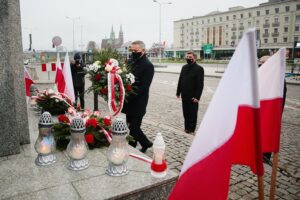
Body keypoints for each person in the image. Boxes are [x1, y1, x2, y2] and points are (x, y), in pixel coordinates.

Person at [122, 40, 154, 153]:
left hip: (139, 101)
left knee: (134, 127)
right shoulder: (130, 61)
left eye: (136, 50)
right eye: (132, 50)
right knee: (130, 125)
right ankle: (139, 145)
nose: (133, 52)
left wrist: (129, 95)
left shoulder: (148, 65)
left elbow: (144, 87)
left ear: (143, 50)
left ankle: (138, 147)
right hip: (128, 100)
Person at [258, 55, 287, 165]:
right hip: (260, 112)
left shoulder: (278, 81)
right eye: (260, 63)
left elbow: (280, 102)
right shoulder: (260, 76)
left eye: (262, 64)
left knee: (267, 133)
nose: (260, 66)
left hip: (269, 113)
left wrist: (277, 118)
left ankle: (264, 156)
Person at [176, 51, 204, 134]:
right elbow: (180, 80)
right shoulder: (184, 67)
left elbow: (200, 84)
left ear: (194, 58)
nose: (188, 59)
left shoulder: (199, 69)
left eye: (190, 57)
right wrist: (178, 92)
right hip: (184, 95)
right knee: (186, 113)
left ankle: (192, 129)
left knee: (193, 114)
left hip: (193, 97)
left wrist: (197, 97)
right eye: (187, 57)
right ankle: (187, 128)